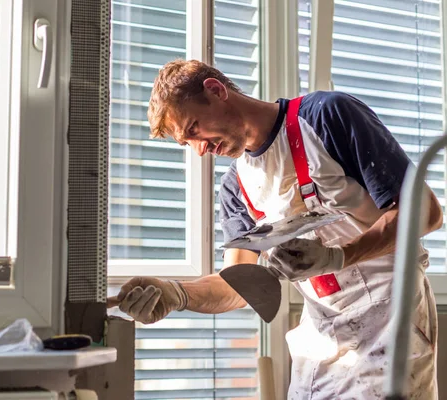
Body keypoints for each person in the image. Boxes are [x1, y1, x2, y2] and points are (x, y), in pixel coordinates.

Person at [107, 59, 443, 399]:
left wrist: (338, 257)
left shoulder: (327, 116)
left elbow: (426, 212)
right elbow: (238, 287)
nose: (200, 149)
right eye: (187, 143)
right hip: (323, 340)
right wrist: (176, 293)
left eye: (194, 128)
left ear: (216, 90)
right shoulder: (236, 186)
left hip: (391, 320)